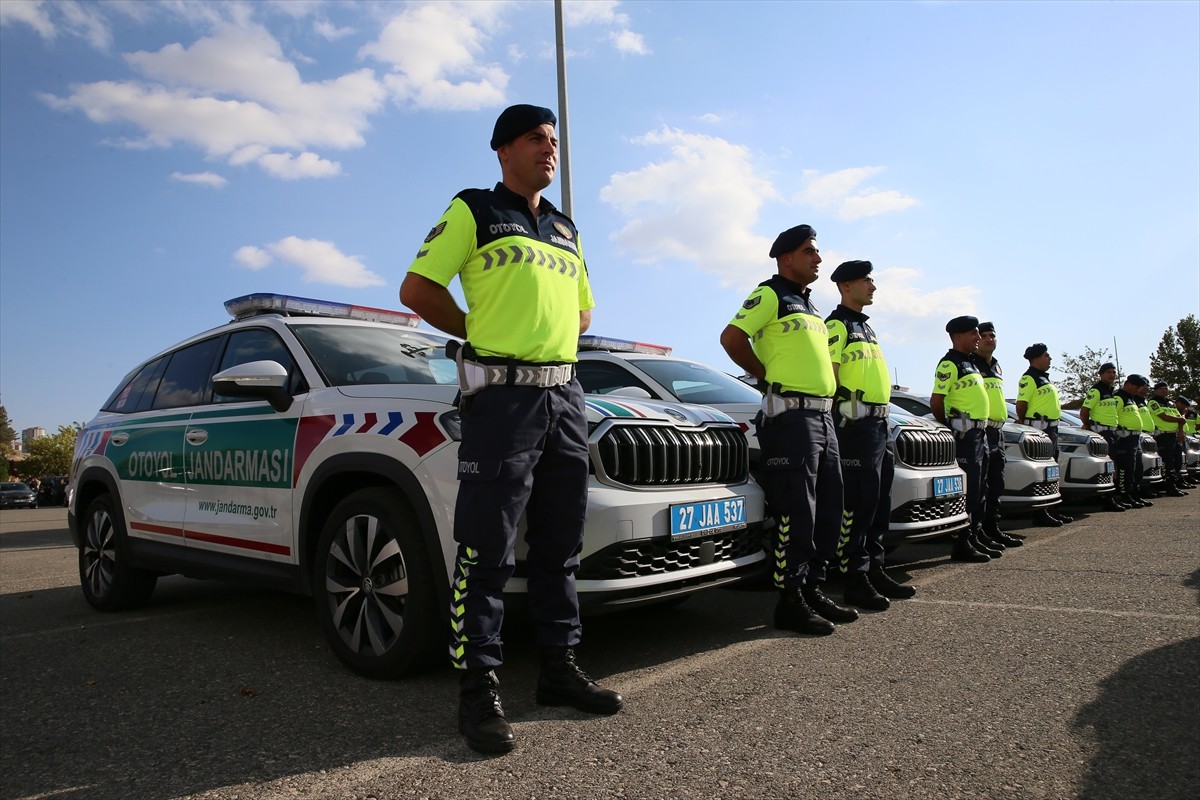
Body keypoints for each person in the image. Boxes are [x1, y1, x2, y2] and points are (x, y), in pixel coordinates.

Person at [400, 103, 621, 755]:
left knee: (559, 545)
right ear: (502, 150)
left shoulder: (564, 228)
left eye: (553, 141)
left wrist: (541, 335)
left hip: (565, 399)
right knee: (487, 550)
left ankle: (558, 670)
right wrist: (482, 331)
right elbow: (418, 289)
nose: (548, 149)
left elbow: (581, 314)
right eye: (534, 140)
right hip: (502, 405)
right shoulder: (474, 209)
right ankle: (479, 693)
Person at [720, 224, 857, 636]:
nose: (818, 258)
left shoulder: (810, 306)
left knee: (829, 509)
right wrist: (765, 377)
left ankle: (813, 587)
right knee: (797, 511)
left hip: (823, 418)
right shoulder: (771, 294)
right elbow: (731, 338)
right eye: (809, 251)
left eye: (816, 251)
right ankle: (790, 600)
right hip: (791, 420)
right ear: (786, 258)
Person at [824, 260, 915, 609]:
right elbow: (831, 378)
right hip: (854, 427)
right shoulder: (837, 326)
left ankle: (874, 568)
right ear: (846, 286)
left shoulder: (867, 328)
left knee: (878, 503)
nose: (873, 286)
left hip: (878, 427)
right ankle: (854, 578)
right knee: (857, 506)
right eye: (866, 280)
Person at [930, 316, 994, 562]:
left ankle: (974, 536)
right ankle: (961, 544)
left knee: (980, 489)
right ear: (958, 336)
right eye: (973, 334)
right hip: (965, 435)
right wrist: (950, 428)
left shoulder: (971, 364)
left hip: (980, 433)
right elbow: (937, 401)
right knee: (969, 489)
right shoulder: (950, 364)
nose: (978, 338)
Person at [973, 323, 1025, 547]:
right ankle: (977, 531)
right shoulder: (969, 364)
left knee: (996, 483)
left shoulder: (996, 366)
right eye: (983, 336)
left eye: (991, 335)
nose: (988, 339)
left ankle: (992, 527)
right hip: (980, 430)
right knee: (980, 485)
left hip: (998, 431)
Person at [1015, 342, 1074, 526]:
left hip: (1051, 429)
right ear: (1037, 358)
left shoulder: (1044, 378)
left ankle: (1051, 509)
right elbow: (1021, 404)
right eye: (1047, 355)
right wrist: (1027, 424)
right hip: (1039, 429)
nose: (1050, 358)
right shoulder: (1029, 378)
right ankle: (1041, 513)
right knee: (1043, 472)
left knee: (1052, 471)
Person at [1080, 362, 1127, 512]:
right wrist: (1087, 424)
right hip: (1102, 432)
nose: (1112, 375)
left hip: (1112, 432)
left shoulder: (1110, 391)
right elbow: (1084, 410)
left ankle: (1111, 497)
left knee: (1112, 466)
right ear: (1100, 374)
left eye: (1114, 372)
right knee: (1108, 467)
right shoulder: (1096, 390)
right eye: (1108, 372)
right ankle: (1108, 499)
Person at [1111, 374, 1151, 509]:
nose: (1137, 389)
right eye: (1136, 386)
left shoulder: (1131, 399)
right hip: (1125, 438)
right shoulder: (1119, 397)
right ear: (1127, 383)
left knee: (1137, 468)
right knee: (1126, 469)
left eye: (1140, 387)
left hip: (1135, 438)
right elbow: (1113, 415)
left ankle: (1134, 494)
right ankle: (1124, 495)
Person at [1148, 381, 1189, 496]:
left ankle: (1173, 484)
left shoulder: (1171, 403)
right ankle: (1168, 486)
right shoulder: (1153, 402)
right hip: (1163, 435)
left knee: (1177, 461)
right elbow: (1164, 417)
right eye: (1161, 388)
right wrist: (1180, 419)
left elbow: (1180, 418)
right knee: (1167, 461)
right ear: (1155, 390)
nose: (1164, 390)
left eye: (1165, 388)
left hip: (1174, 435)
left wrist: (1180, 431)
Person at [1173, 395, 1199, 488]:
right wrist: (1183, 414)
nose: (1185, 407)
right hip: (1176, 436)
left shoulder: (1181, 412)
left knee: (1184, 460)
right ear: (1178, 403)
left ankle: (1183, 478)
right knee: (1178, 460)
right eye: (1183, 405)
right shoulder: (1174, 410)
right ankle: (1178, 480)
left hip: (1183, 436)